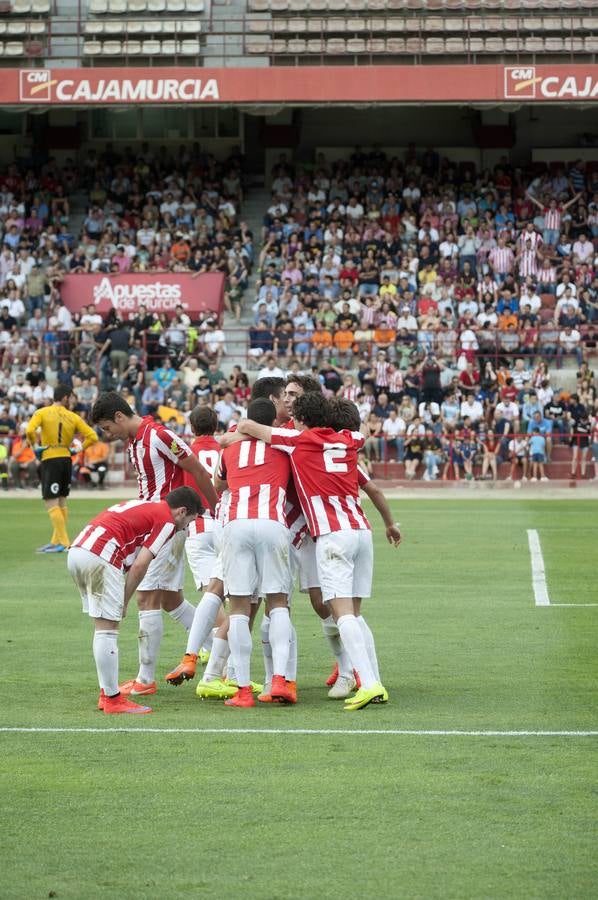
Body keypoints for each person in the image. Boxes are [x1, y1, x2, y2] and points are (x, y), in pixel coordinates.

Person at [237, 392, 389, 710]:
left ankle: (369, 683)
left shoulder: (297, 441)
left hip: (333, 535)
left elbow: (256, 429)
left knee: (342, 612)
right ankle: (374, 681)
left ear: (302, 420)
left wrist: (244, 423)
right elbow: (360, 435)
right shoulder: (349, 439)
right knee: (355, 616)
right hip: (361, 531)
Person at [90, 391, 218, 697]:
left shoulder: (158, 435)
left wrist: (216, 507)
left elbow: (197, 469)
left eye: (108, 428)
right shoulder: (136, 440)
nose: (109, 435)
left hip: (166, 526)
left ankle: (145, 680)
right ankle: (218, 651)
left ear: (119, 416)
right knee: (170, 599)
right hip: (154, 523)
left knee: (145, 599)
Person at [68, 487, 202, 715]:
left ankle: (107, 693)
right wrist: (124, 599)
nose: (185, 528)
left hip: (79, 550)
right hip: (101, 555)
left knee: (103, 627)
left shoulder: (149, 506)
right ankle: (112, 699)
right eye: (188, 522)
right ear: (181, 512)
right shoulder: (167, 521)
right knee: (107, 629)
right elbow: (141, 564)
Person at [217, 398, 293, 708]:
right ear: (273, 421)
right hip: (272, 523)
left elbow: (217, 484)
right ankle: (279, 680)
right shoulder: (284, 446)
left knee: (238, 608)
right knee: (277, 603)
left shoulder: (230, 449)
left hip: (237, 524)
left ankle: (243, 690)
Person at [165, 405, 225, 687]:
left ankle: (218, 665)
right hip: (225, 523)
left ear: (192, 427)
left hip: (199, 524)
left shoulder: (185, 452)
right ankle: (215, 655)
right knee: (226, 594)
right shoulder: (226, 447)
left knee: (210, 596)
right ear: (216, 425)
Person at [25, 385, 98, 553]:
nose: (72, 400)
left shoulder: (42, 412)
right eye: (71, 397)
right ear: (65, 398)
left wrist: (34, 445)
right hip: (66, 459)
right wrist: (76, 449)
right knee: (62, 501)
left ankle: (65, 543)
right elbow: (92, 436)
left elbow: (29, 430)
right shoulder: (73, 417)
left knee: (51, 501)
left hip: (50, 458)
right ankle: (55, 541)